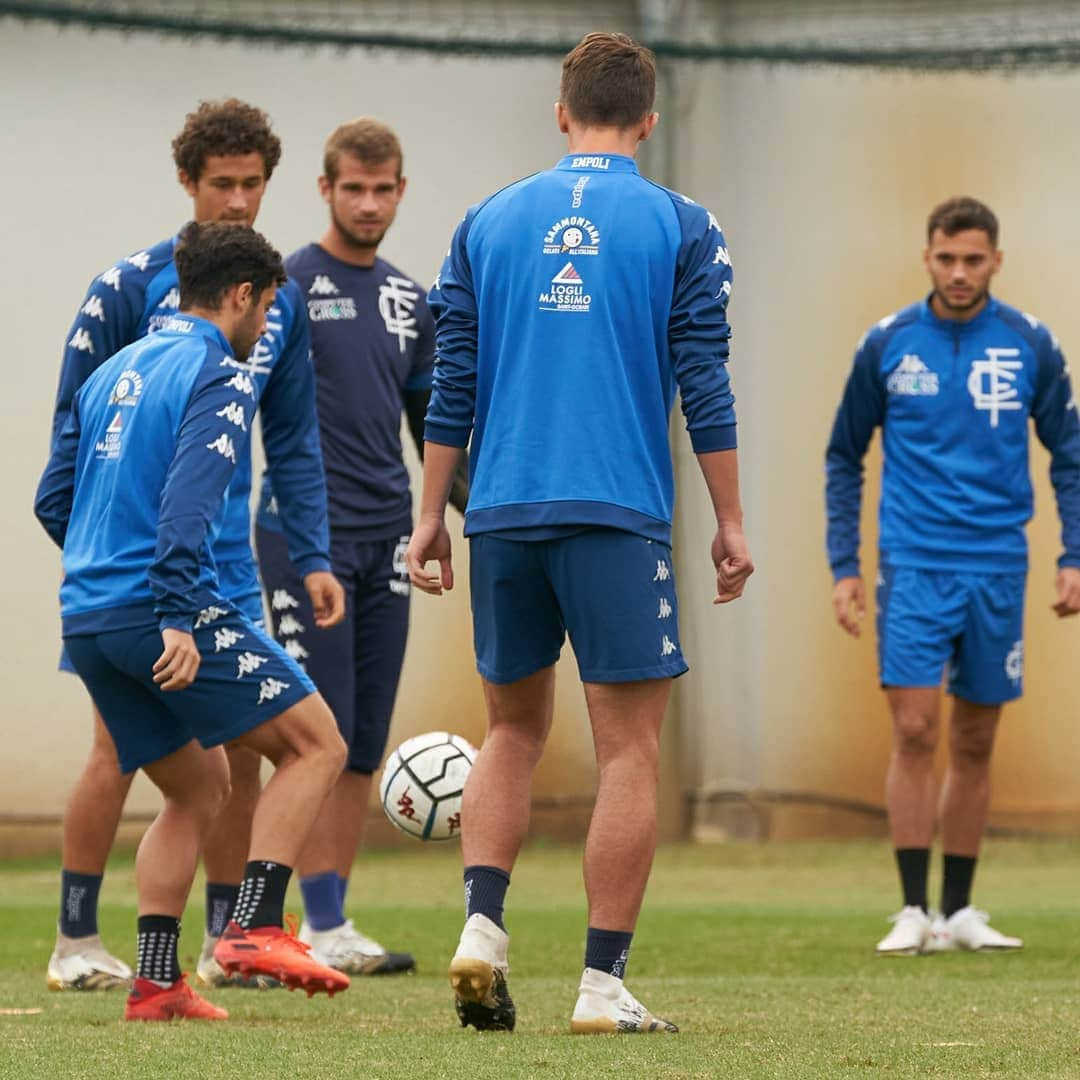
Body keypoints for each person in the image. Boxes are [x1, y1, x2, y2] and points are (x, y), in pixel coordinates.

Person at [406, 31, 753, 1034]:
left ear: (561, 112)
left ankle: (482, 927)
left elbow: (452, 382)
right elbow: (706, 378)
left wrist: (431, 515)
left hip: (502, 513)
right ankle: (601, 987)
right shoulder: (683, 223)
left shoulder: (485, 220)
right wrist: (729, 519)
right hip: (615, 516)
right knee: (629, 751)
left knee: (511, 729)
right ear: (647, 118)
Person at [45, 98, 341, 992]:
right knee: (316, 744)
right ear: (244, 297)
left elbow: (56, 487)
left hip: (93, 602)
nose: (242, 199)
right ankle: (250, 929)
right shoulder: (212, 363)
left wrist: (105, 575)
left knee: (198, 785)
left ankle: (157, 980)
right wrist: (171, 607)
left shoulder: (115, 371)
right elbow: (185, 505)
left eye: (255, 184)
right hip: (171, 595)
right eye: (226, 184)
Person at [825, 196, 1080, 955]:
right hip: (913, 561)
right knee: (914, 728)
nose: (960, 273)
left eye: (974, 259)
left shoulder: (1030, 344)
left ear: (996, 260)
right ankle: (912, 910)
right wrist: (846, 567)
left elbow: (1070, 456)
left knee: (973, 740)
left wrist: (1073, 554)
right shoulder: (890, 344)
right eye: (947, 258)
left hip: (999, 564)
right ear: (927, 256)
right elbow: (844, 456)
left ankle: (961, 912)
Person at [254, 118, 468, 976]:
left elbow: (433, 430)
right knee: (316, 732)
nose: (370, 204)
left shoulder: (408, 300)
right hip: (302, 540)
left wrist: (471, 510)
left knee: (365, 740)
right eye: (354, 189)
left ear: (402, 191)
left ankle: (330, 921)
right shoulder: (288, 286)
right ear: (326, 189)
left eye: (384, 190)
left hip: (387, 539)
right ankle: (258, 922)